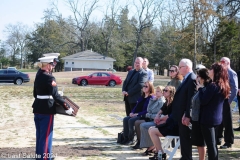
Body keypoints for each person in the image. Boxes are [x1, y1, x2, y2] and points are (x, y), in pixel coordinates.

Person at [32, 56, 74, 160]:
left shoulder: (38, 74)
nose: (53, 67)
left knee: (40, 135)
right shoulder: (50, 78)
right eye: (52, 64)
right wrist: (67, 107)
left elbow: (35, 93)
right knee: (46, 137)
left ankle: (40, 157)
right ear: (47, 65)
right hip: (47, 109)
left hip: (37, 108)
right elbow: (56, 96)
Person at [199, 62, 230, 159]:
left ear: (216, 71)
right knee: (213, 144)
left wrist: (199, 89)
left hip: (208, 119)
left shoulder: (213, 85)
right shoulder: (223, 85)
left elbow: (203, 101)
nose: (209, 70)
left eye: (211, 68)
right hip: (217, 118)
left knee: (211, 145)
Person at [170, 58, 196, 160]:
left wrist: (187, 115)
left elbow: (191, 99)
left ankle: (187, 157)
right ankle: (184, 156)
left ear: (187, 67)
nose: (179, 69)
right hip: (180, 114)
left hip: (184, 115)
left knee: (186, 137)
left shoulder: (192, 79)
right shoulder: (186, 78)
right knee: (183, 137)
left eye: (180, 67)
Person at [148, 85, 177, 160]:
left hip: (173, 127)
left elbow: (170, 115)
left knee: (153, 131)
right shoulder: (166, 101)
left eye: (166, 90)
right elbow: (161, 110)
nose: (164, 92)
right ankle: (159, 152)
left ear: (171, 93)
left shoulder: (174, 103)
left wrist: (161, 119)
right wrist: (157, 116)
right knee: (150, 129)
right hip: (167, 124)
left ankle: (161, 153)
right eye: (164, 90)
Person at [217, 57, 238, 149]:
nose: (221, 63)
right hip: (219, 99)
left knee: (227, 121)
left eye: (223, 62)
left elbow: (235, 88)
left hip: (226, 99)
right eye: (220, 61)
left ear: (228, 63)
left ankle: (228, 141)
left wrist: (230, 101)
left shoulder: (231, 73)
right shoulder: (221, 72)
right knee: (218, 119)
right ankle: (218, 138)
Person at [191, 68, 211, 160]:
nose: (196, 77)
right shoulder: (199, 87)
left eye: (198, 75)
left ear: (202, 78)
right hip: (195, 118)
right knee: (198, 142)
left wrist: (200, 89)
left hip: (200, 118)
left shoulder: (205, 88)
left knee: (201, 142)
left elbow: (203, 102)